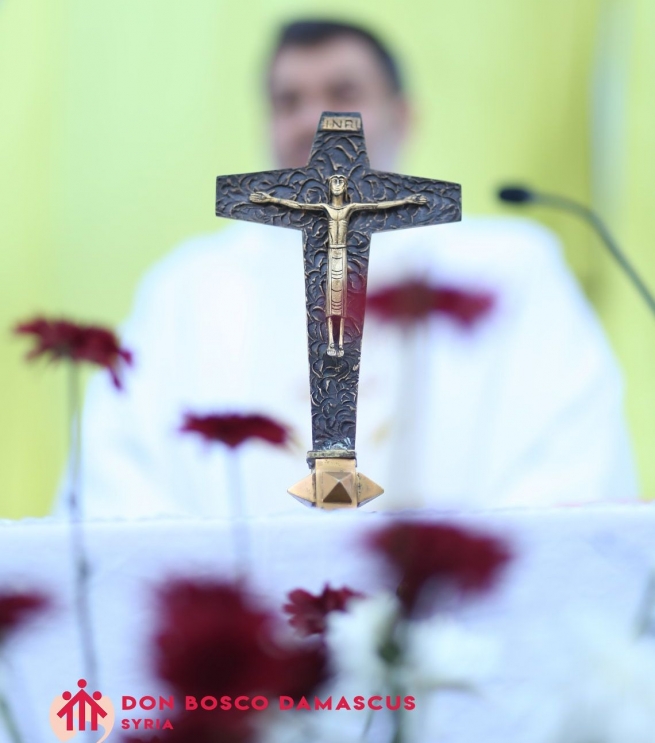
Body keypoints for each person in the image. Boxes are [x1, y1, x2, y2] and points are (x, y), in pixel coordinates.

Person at [62, 19, 637, 519]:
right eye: (287, 101)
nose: (312, 119)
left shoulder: (513, 270)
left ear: (403, 115)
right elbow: (118, 480)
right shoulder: (187, 290)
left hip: (454, 626)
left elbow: (572, 458)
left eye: (342, 91)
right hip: (246, 628)